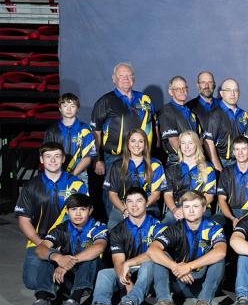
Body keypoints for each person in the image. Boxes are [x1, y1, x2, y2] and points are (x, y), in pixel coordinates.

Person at [17, 143, 89, 305]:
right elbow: (23, 220)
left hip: (70, 240)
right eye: (48, 156)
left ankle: (51, 294)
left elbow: (83, 217)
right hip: (40, 239)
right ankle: (60, 286)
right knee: (32, 281)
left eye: (57, 156)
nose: (53, 160)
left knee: (78, 272)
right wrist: (42, 244)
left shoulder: (77, 184)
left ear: (63, 159)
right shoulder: (30, 186)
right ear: (41, 160)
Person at [74, 187, 166, 305]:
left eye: (139, 201)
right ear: (125, 205)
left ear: (146, 203)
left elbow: (155, 255)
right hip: (128, 272)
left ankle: (130, 302)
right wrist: (128, 284)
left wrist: (129, 263)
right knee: (104, 273)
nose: (134, 205)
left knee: (149, 264)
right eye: (130, 201)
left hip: (151, 273)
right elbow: (118, 261)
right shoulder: (118, 230)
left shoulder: (158, 227)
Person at [146, 191, 227, 305]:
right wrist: (175, 267)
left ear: (204, 208)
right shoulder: (174, 228)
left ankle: (203, 303)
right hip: (179, 282)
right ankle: (165, 302)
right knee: (160, 255)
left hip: (203, 284)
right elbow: (152, 250)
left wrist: (188, 266)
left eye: (195, 206)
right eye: (187, 207)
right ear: (181, 209)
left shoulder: (213, 228)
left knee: (218, 259)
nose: (191, 211)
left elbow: (221, 252)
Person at [30, 193, 107, 305]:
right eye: (73, 209)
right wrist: (57, 258)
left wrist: (68, 263)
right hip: (68, 278)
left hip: (91, 277)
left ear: (90, 210)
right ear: (67, 211)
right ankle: (42, 299)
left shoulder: (98, 227)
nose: (77, 214)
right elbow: (40, 249)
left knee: (91, 257)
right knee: (48, 256)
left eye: (82, 209)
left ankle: (74, 300)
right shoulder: (61, 229)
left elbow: (99, 247)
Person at [91, 62, 155, 214]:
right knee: (112, 194)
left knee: (139, 193)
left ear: (133, 78)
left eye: (129, 75)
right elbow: (96, 132)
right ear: (114, 79)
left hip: (141, 156)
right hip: (114, 157)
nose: (126, 78)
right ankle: (113, 226)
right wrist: (97, 159)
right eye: (121, 75)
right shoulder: (105, 101)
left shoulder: (145, 100)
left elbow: (154, 126)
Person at [103, 128, 166, 229]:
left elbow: (156, 194)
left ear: (145, 144)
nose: (136, 145)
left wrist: (140, 208)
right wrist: (125, 210)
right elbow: (112, 194)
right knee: (112, 226)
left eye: (140, 141)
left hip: (148, 206)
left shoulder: (155, 164)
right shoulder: (117, 165)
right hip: (123, 206)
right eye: (133, 141)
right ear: (127, 143)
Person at [163, 131, 217, 226]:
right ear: (180, 146)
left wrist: (192, 208)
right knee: (163, 226)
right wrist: (175, 210)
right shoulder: (172, 168)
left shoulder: (208, 168)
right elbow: (167, 194)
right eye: (183, 143)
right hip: (178, 207)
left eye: (190, 143)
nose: (186, 147)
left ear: (196, 145)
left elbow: (210, 196)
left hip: (200, 207)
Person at [43, 92, 96, 185]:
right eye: (65, 105)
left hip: (80, 175)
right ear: (60, 108)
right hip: (56, 174)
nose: (68, 109)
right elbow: (47, 155)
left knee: (78, 200)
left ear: (78, 109)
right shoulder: (52, 131)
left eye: (72, 106)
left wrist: (72, 175)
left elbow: (88, 157)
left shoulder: (85, 130)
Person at [216, 136, 248, 226]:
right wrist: (232, 218)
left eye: (244, 149)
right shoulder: (226, 172)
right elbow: (221, 199)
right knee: (215, 222)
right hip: (229, 213)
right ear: (233, 152)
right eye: (237, 149)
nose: (240, 153)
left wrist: (244, 218)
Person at [203, 77, 248, 171]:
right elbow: (208, 143)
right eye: (228, 90)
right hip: (223, 162)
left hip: (242, 162)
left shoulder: (244, 115)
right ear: (221, 93)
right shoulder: (214, 115)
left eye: (235, 90)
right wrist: (219, 168)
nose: (233, 94)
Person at [158, 75, 200, 166]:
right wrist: (187, 160)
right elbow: (173, 139)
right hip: (178, 160)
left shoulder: (190, 111)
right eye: (177, 89)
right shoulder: (167, 111)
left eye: (184, 88)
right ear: (170, 92)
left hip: (194, 158)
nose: (182, 91)